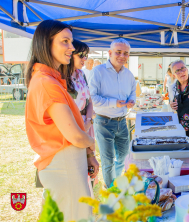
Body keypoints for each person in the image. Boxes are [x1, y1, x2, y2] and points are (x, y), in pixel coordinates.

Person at [25, 20, 96, 221]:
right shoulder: (47, 82)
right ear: (46, 44)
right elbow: (75, 135)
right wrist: (91, 143)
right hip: (64, 163)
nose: (72, 48)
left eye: (71, 42)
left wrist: (89, 153)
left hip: (66, 161)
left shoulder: (48, 78)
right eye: (65, 41)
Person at [89, 38, 136, 188]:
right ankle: (111, 189)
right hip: (103, 121)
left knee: (123, 156)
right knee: (107, 159)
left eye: (126, 53)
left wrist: (132, 100)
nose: (122, 55)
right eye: (118, 52)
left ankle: (113, 181)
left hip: (122, 121)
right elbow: (92, 98)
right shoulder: (98, 71)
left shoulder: (128, 74)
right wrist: (113, 102)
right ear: (110, 53)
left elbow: (133, 92)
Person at [67, 40, 98, 186]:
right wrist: (83, 124)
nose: (84, 59)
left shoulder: (81, 74)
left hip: (86, 125)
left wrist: (89, 121)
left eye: (86, 55)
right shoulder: (62, 78)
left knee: (88, 169)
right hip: (73, 128)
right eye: (81, 55)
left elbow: (90, 100)